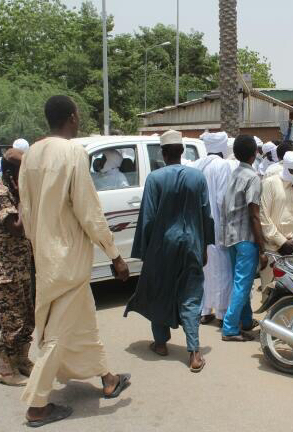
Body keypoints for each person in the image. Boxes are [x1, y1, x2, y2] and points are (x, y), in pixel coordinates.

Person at [19, 95, 131, 427]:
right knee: (57, 335)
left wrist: (36, 244)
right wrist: (115, 254)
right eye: (78, 114)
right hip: (68, 257)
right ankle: (37, 405)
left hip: (46, 255)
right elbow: (88, 210)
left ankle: (108, 378)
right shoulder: (72, 153)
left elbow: (26, 209)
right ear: (71, 117)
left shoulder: (32, 154)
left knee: (82, 324)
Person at [125, 129, 214, 370]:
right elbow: (206, 215)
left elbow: (148, 218)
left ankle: (161, 342)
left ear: (163, 153)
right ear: (182, 151)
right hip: (192, 245)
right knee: (191, 295)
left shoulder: (155, 179)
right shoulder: (198, 178)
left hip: (162, 247)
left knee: (158, 291)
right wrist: (205, 246)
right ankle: (194, 352)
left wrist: (145, 252)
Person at [0, 148, 35, 386]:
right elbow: (16, 227)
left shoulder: (12, 190)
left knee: (27, 318)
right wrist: (24, 195)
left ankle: (20, 360)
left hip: (19, 266)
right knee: (12, 321)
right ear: (12, 174)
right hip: (4, 269)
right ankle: (3, 370)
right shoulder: (0, 193)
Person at [220, 135, 268, 342]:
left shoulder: (235, 173)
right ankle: (230, 328)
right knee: (242, 283)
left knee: (242, 283)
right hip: (245, 238)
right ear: (255, 153)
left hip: (230, 236)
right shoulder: (253, 177)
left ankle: (246, 320)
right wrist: (263, 246)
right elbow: (254, 214)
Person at [192, 131, 233, 325]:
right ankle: (221, 312)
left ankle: (205, 309)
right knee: (222, 267)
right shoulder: (223, 165)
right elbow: (222, 198)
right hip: (217, 223)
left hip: (199, 223)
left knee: (206, 268)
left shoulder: (197, 165)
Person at [260, 151, 293, 287]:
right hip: (272, 250)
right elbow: (263, 217)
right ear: (285, 166)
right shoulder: (270, 183)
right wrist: (281, 242)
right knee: (271, 292)